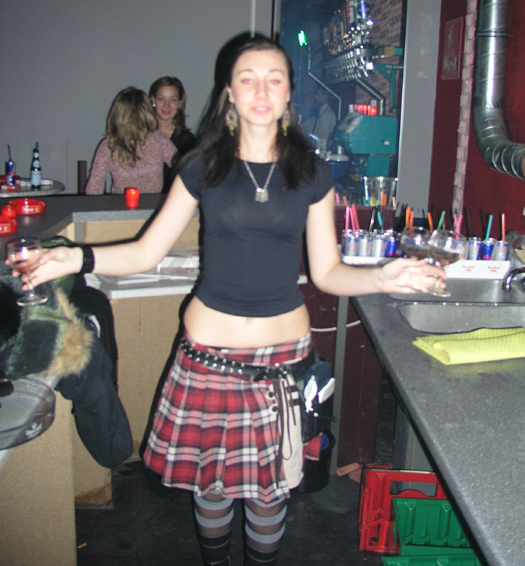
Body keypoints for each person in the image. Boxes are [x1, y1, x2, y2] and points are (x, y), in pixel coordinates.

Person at [18, 34, 445, 566]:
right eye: (248, 79)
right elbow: (146, 251)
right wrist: (75, 258)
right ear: (230, 93)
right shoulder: (202, 166)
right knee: (211, 492)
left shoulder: (311, 172)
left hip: (280, 365)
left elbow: (328, 272)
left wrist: (384, 276)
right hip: (206, 361)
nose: (261, 91)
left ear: (288, 92)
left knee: (270, 496)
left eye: (274, 79)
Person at [85, 86, 176, 195]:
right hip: (155, 205)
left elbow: (93, 188)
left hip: (123, 204)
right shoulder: (158, 139)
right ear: (146, 113)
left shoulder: (108, 146)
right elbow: (184, 168)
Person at [311, 86, 336, 151]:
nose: (316, 97)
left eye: (318, 95)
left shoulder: (327, 113)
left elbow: (323, 136)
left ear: (325, 96)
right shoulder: (322, 112)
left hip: (322, 149)